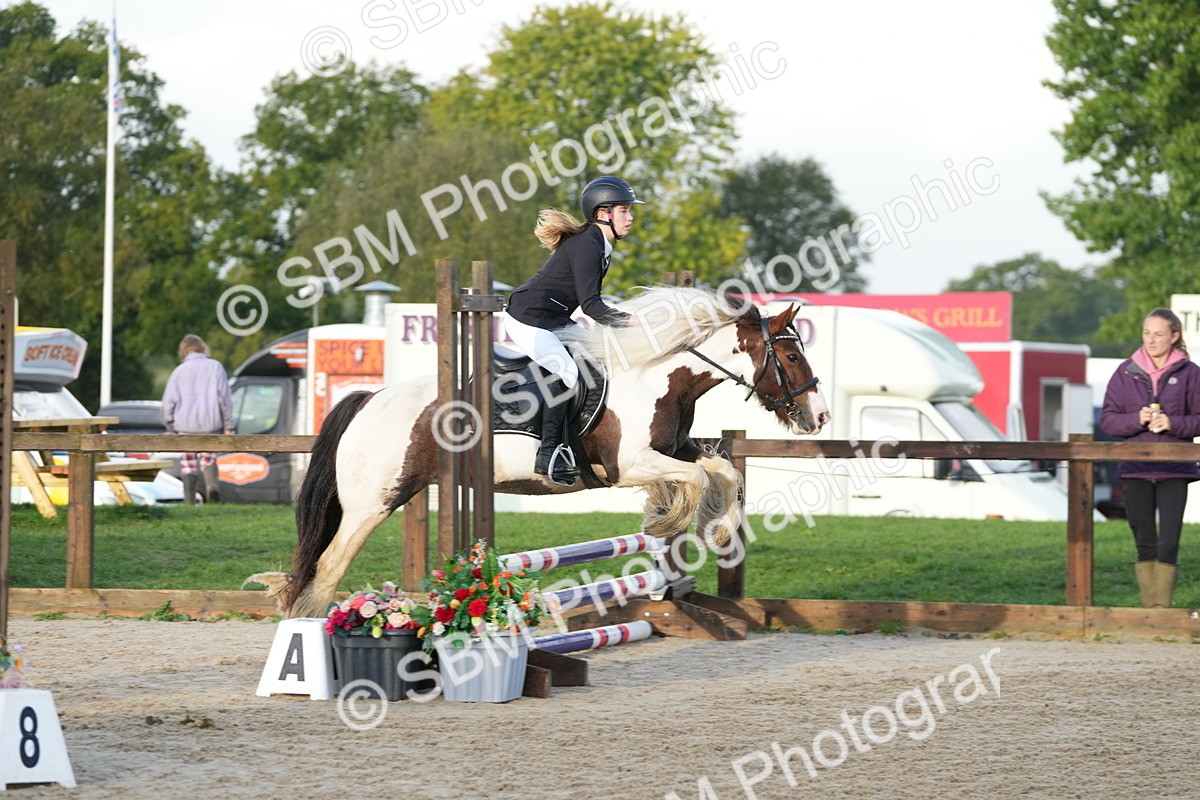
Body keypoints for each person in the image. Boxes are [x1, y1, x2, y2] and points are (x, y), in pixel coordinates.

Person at [504, 176, 644, 485]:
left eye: (629, 210)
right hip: (528, 318)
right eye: (623, 210)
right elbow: (592, 306)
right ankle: (549, 453)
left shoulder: (600, 245)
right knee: (566, 371)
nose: (630, 217)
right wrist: (631, 323)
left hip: (554, 318)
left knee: (596, 361)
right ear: (602, 213)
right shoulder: (587, 245)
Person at [1100, 308, 1200, 608]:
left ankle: (1162, 611)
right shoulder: (1125, 371)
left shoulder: (1190, 373)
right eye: (1146, 333)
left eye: (1158, 334)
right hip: (1136, 468)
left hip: (1175, 468)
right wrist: (1136, 419)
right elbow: (1108, 420)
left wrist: (1174, 424)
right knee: (1144, 542)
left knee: (1168, 542)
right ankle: (1150, 612)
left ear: (1174, 336)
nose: (1151, 340)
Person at [161, 334, 234, 504]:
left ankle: (189, 501)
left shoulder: (179, 371)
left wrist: (171, 426)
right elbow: (225, 399)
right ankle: (212, 489)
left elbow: (167, 404)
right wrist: (228, 425)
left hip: (184, 427)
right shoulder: (216, 367)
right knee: (209, 460)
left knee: (188, 464)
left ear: (184, 351)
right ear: (203, 348)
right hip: (211, 425)